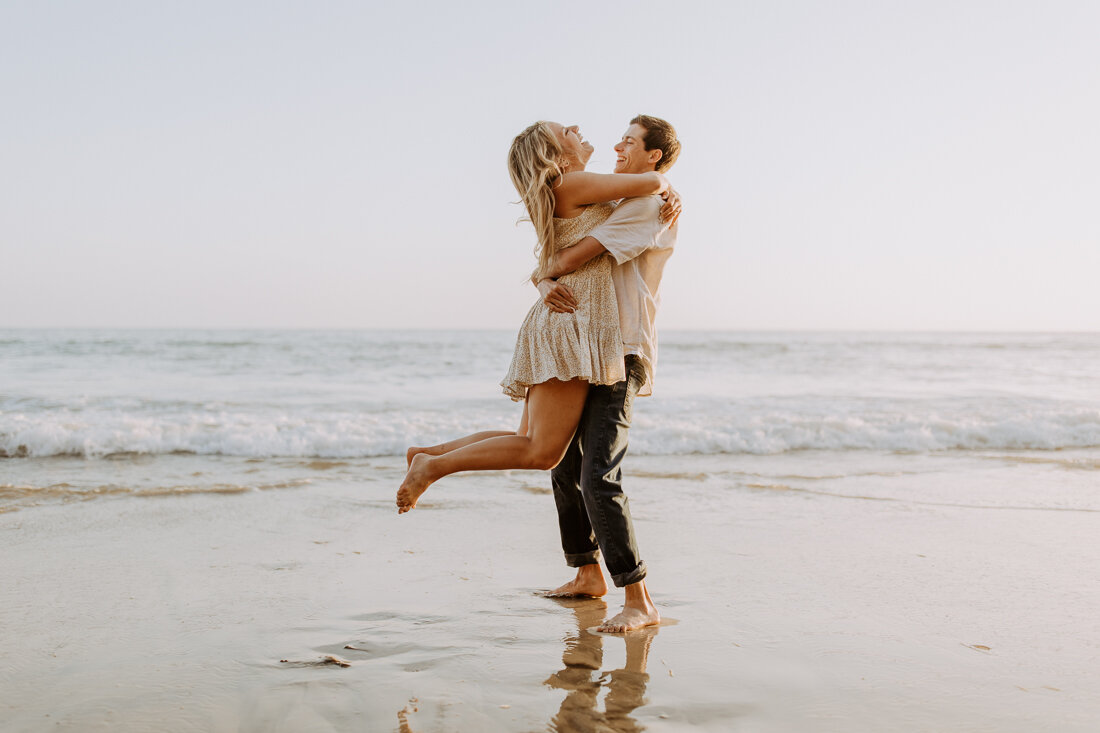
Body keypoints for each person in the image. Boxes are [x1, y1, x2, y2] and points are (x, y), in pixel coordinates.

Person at [395, 121, 679, 522]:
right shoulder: (572, 182)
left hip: (566, 319)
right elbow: (651, 182)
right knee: (542, 453)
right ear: (558, 156)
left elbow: (559, 257)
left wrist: (544, 279)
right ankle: (434, 466)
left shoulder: (566, 189)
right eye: (566, 130)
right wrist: (666, 187)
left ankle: (431, 455)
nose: (577, 127)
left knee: (525, 439)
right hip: (570, 323)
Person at [534, 115, 681, 633]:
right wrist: (542, 277)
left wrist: (546, 274)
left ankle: (640, 600)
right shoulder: (621, 200)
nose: (618, 146)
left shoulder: (647, 204)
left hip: (622, 351)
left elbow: (577, 255)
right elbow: (558, 258)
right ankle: (586, 573)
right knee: (563, 466)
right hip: (592, 347)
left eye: (631, 141)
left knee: (599, 474)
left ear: (654, 157)